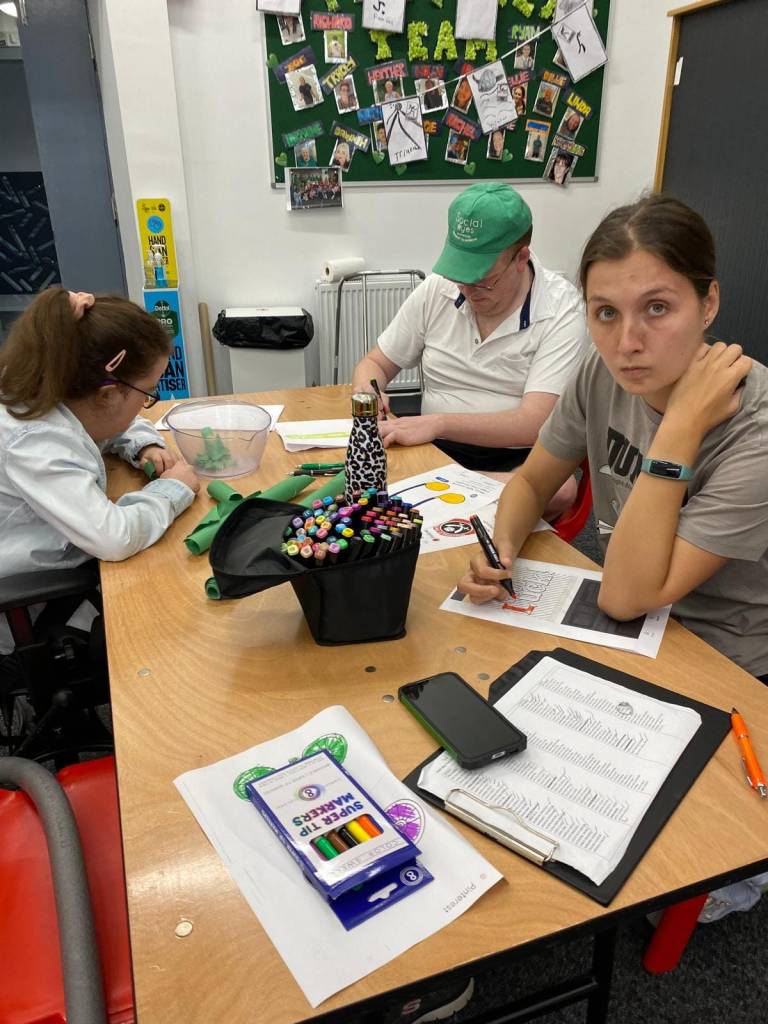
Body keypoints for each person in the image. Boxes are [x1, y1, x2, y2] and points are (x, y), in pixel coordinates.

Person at [458, 193, 768, 684]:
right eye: (605, 313)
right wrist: (503, 549)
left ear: (708, 303)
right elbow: (532, 482)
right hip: (626, 627)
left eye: (657, 308)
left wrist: (681, 426)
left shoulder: (756, 428)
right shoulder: (600, 374)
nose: (626, 344)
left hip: (725, 662)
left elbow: (625, 598)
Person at [350, 183, 588, 506]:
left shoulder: (561, 309)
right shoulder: (438, 289)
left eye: (483, 279)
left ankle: (438, 487)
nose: (468, 289)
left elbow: (535, 423)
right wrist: (369, 394)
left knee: (560, 489)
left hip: (515, 456)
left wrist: (438, 423)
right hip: (433, 449)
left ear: (521, 258)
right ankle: (443, 488)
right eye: (460, 275)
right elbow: (375, 363)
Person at [0, 287, 200, 656]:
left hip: (61, 557)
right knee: (173, 615)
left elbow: (109, 423)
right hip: (31, 602)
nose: (146, 402)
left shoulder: (50, 385)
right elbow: (114, 537)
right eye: (147, 393)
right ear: (107, 393)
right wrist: (172, 490)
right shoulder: (36, 442)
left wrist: (146, 445)